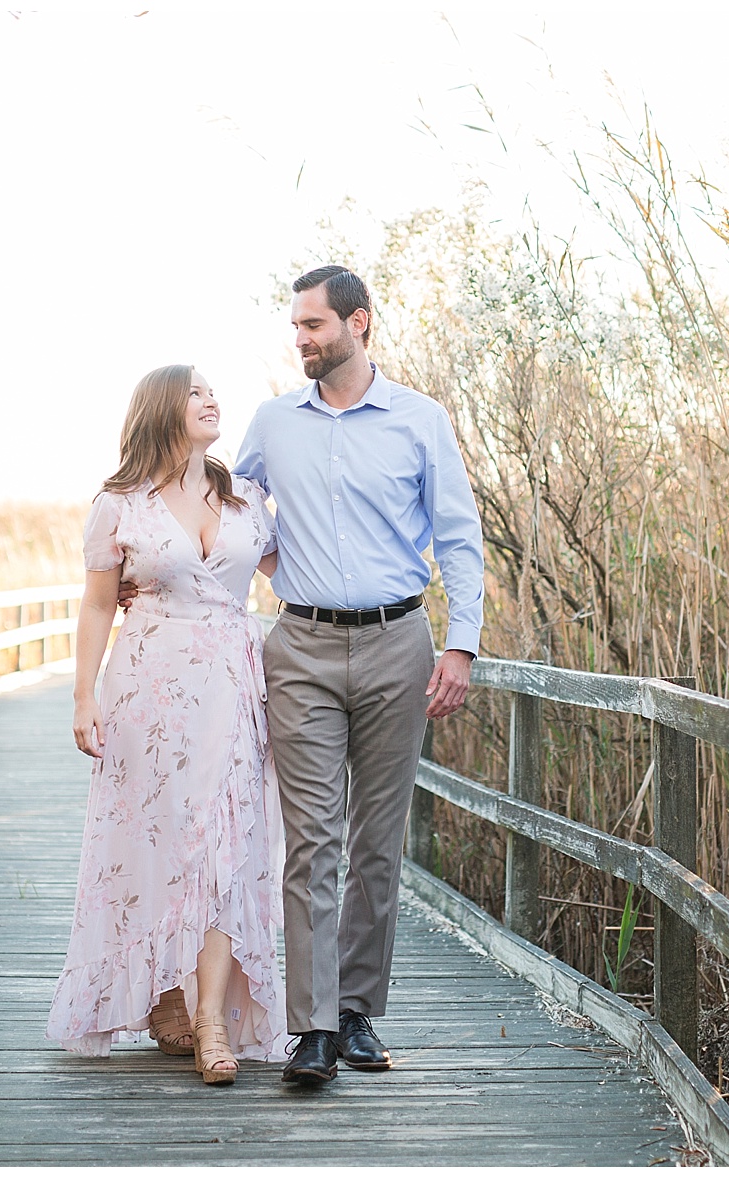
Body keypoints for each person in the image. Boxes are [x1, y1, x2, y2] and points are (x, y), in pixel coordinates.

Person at [233, 264, 484, 1084]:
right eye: (296, 329)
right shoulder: (273, 421)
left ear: (358, 323)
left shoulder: (419, 420)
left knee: (377, 840)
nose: (300, 341)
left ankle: (354, 1015)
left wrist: (461, 645)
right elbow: (233, 514)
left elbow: (457, 538)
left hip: (397, 644)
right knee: (312, 842)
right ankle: (308, 1030)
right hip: (299, 647)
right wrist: (157, 564)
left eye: (313, 327)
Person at [47, 363, 288, 1085]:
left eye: (213, 390)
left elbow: (295, 576)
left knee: (227, 844)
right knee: (159, 842)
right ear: (161, 408)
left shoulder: (244, 495)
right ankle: (164, 994)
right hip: (148, 689)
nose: (212, 399)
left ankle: (212, 1018)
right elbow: (95, 605)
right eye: (195, 391)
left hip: (235, 689)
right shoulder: (119, 503)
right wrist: (82, 697)